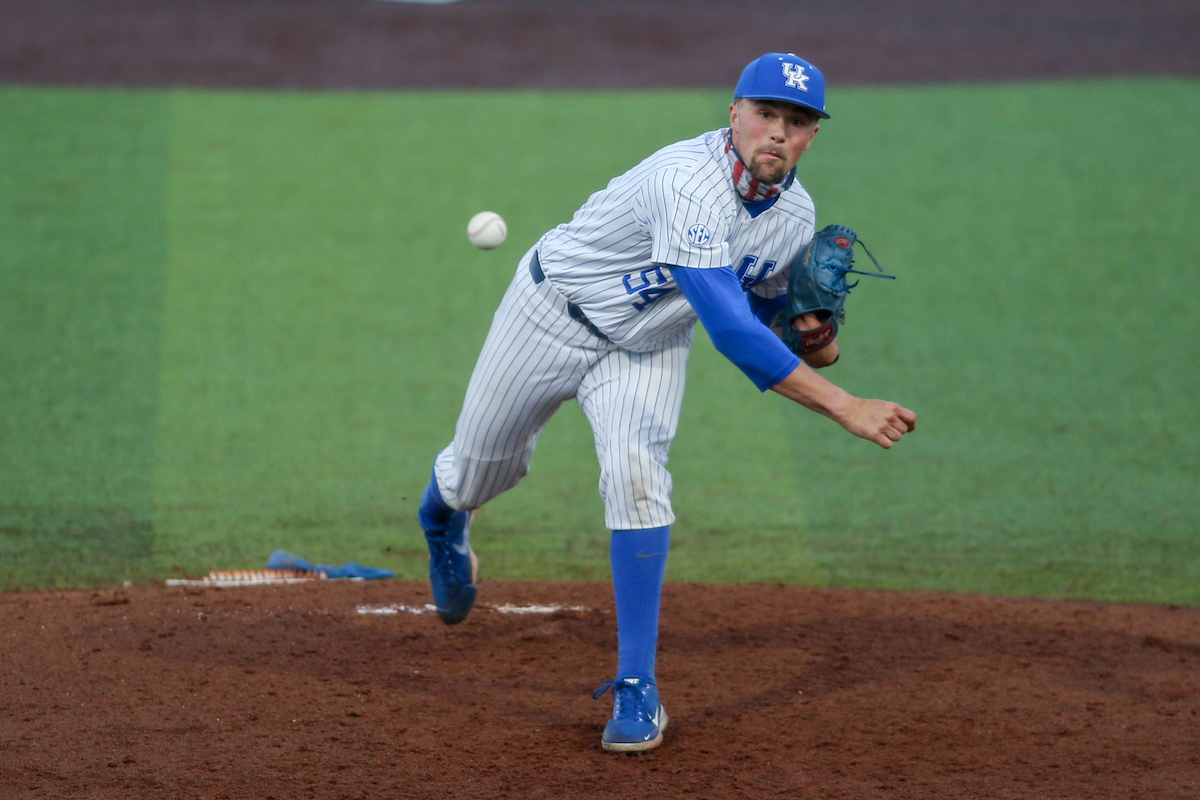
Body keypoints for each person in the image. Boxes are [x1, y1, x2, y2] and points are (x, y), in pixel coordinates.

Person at [417, 52, 917, 753]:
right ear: (735, 114)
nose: (777, 131)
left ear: (812, 136)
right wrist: (844, 404)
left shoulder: (793, 218)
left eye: (796, 121)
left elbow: (771, 319)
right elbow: (736, 333)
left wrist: (814, 333)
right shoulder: (687, 182)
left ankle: (635, 685)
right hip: (551, 314)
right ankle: (442, 520)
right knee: (480, 472)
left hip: (646, 347)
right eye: (766, 113)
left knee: (637, 481)